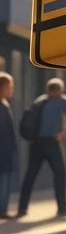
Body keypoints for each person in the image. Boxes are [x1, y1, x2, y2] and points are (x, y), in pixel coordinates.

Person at [17, 77, 66, 218]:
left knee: (33, 175)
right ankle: (61, 208)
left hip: (39, 143)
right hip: (48, 143)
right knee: (57, 174)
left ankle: (23, 208)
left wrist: (61, 133)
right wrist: (62, 133)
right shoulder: (61, 101)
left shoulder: (41, 100)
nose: (54, 94)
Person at [0, 72, 17, 219]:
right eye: (9, 86)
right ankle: (2, 210)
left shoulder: (5, 104)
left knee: (6, 179)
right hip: (3, 149)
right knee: (4, 180)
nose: (11, 89)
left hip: (6, 148)